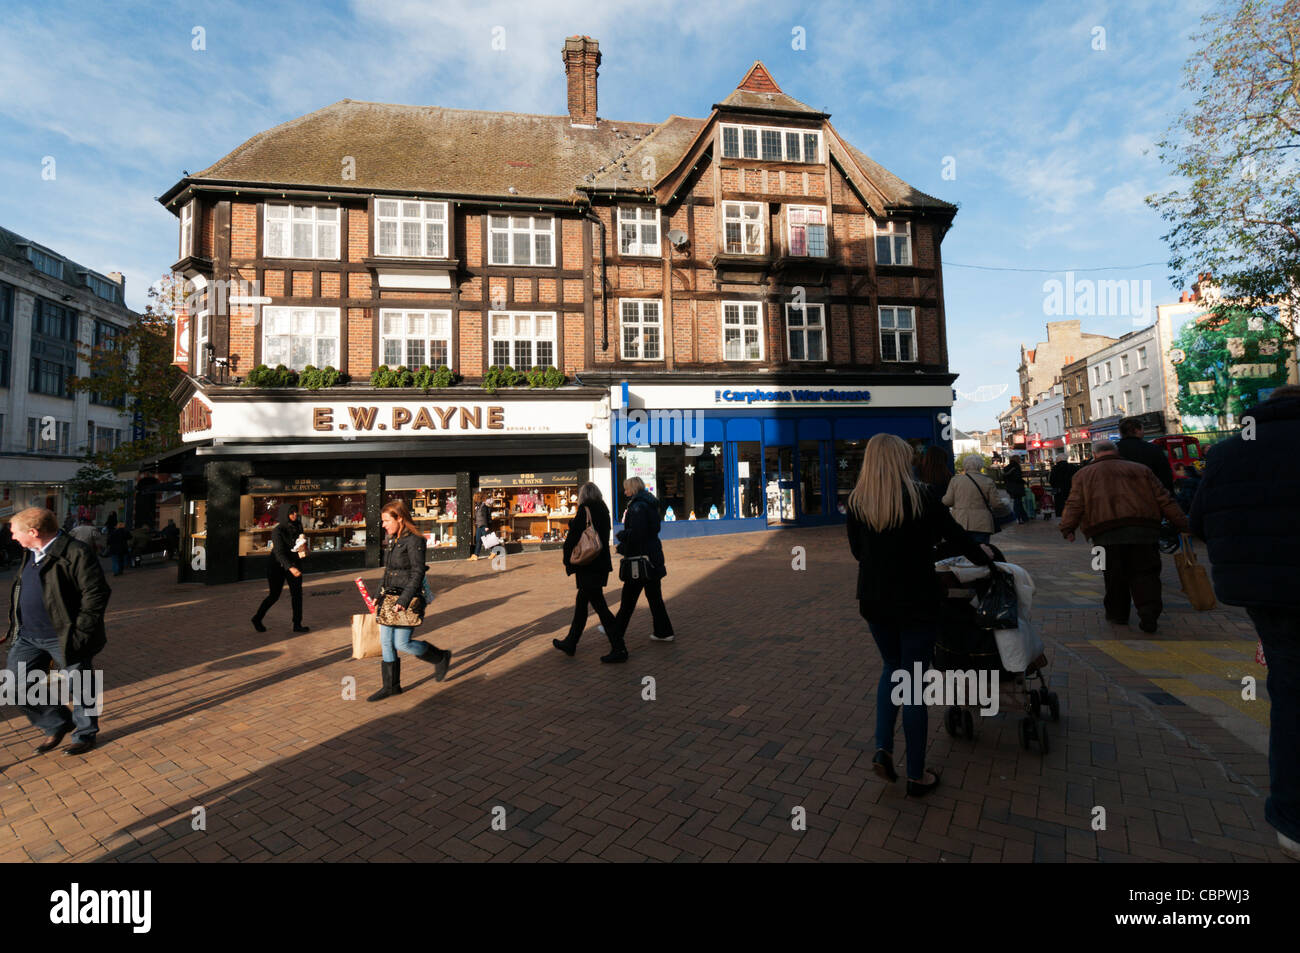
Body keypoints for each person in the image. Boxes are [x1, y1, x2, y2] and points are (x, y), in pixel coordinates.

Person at [846, 434, 994, 797]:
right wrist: (987, 562)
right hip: (916, 600)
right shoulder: (923, 497)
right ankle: (916, 774)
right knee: (912, 682)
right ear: (900, 461)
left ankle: (883, 748)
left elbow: (857, 553)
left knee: (890, 669)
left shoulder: (856, 502)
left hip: (874, 601)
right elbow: (958, 538)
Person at [1190, 383, 1300, 861]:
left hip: (1269, 597)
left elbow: (1198, 522)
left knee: (1291, 701)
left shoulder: (1228, 452)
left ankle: (1292, 824)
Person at [3, 507, 110, 755]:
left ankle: (84, 734)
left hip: (64, 635)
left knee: (80, 685)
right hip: (28, 635)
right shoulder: (29, 553)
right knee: (15, 686)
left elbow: (96, 595)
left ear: (33, 532)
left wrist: (80, 632)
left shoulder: (75, 552)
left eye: (15, 532)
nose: (12, 537)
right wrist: (15, 629)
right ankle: (57, 723)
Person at [1059, 440, 1188, 632]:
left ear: (1094, 454)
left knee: (1111, 576)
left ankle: (1117, 615)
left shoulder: (1083, 474)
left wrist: (1067, 528)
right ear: (1116, 452)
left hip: (1102, 535)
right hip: (1144, 531)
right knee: (1146, 573)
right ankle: (1148, 612)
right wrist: (1182, 523)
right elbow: (1164, 498)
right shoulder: (1141, 469)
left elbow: (1074, 503)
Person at [367, 499, 451, 702]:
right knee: (386, 642)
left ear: (400, 518)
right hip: (389, 598)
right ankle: (391, 686)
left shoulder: (415, 540)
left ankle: (440, 656)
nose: (384, 525)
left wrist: (404, 599)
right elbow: (388, 572)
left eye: (387, 520)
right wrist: (378, 594)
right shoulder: (394, 539)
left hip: (407, 598)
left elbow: (418, 571)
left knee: (401, 643)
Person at [608, 477, 674, 663]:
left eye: (626, 488)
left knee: (628, 600)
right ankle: (663, 632)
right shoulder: (650, 503)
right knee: (654, 598)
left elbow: (637, 533)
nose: (625, 491)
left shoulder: (637, 507)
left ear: (633, 488)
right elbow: (653, 529)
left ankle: (615, 635)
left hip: (640, 559)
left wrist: (621, 535)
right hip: (652, 557)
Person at [553, 482, 617, 657]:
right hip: (601, 563)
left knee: (600, 607)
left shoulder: (585, 510)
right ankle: (571, 642)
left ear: (583, 495)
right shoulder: (604, 509)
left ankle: (619, 646)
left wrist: (568, 561)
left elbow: (574, 537)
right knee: (582, 605)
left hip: (588, 565)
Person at [251, 503, 309, 633]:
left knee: (297, 594)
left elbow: (300, 543)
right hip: (277, 565)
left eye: (295, 512)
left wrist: (304, 549)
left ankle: (297, 624)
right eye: (292, 512)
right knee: (274, 595)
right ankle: (257, 618)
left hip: (294, 563)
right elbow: (279, 552)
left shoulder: (298, 525)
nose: (295, 515)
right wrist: (290, 568)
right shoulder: (277, 531)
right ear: (285, 514)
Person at [941, 454, 997, 543]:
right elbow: (995, 503)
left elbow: (947, 501)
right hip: (982, 523)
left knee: (962, 552)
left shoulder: (955, 480)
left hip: (960, 521)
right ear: (980, 466)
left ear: (965, 465)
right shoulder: (988, 481)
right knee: (981, 553)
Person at [1117, 417, 1175, 494]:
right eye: (1142, 429)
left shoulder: (1114, 450)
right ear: (1137, 430)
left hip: (1123, 496)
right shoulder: (1153, 448)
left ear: (1121, 433)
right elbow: (1165, 476)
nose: (1143, 432)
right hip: (1150, 494)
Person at [1003, 457, 1028, 523]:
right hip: (1017, 487)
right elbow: (1017, 477)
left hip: (1010, 487)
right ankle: (1018, 518)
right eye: (1019, 459)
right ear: (1016, 460)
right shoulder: (1016, 466)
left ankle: (1024, 517)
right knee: (1018, 503)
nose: (1020, 460)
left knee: (1018, 502)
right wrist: (1023, 481)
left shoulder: (1007, 467)